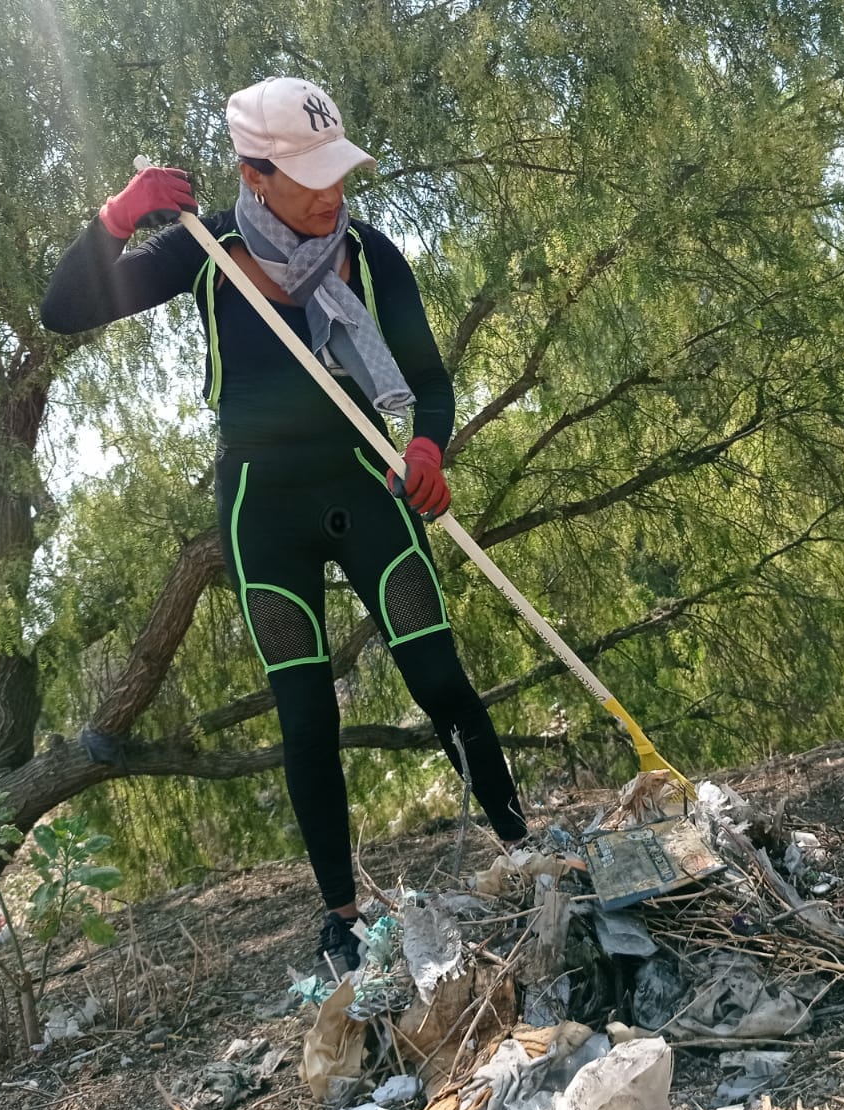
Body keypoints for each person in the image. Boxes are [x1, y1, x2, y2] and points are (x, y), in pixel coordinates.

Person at [41, 77, 528, 978]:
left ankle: (521, 848)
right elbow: (66, 310)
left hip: (366, 484)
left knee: (442, 681)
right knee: (306, 717)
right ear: (253, 174)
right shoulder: (205, 251)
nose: (330, 192)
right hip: (260, 508)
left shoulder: (371, 254)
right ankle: (342, 917)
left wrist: (427, 445)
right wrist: (116, 219)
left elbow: (426, 374)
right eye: (306, 176)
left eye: (336, 170)